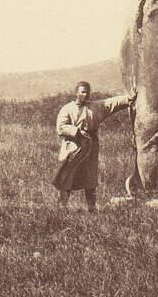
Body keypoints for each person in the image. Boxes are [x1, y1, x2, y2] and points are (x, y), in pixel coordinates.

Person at [53, 81, 134, 211]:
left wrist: (128, 98)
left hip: (91, 147)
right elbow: (61, 127)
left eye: (87, 92)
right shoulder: (67, 108)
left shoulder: (95, 107)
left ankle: (91, 207)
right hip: (72, 147)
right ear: (76, 93)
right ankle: (62, 207)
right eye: (83, 92)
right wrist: (77, 131)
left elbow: (111, 103)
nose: (85, 95)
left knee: (90, 178)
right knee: (67, 176)